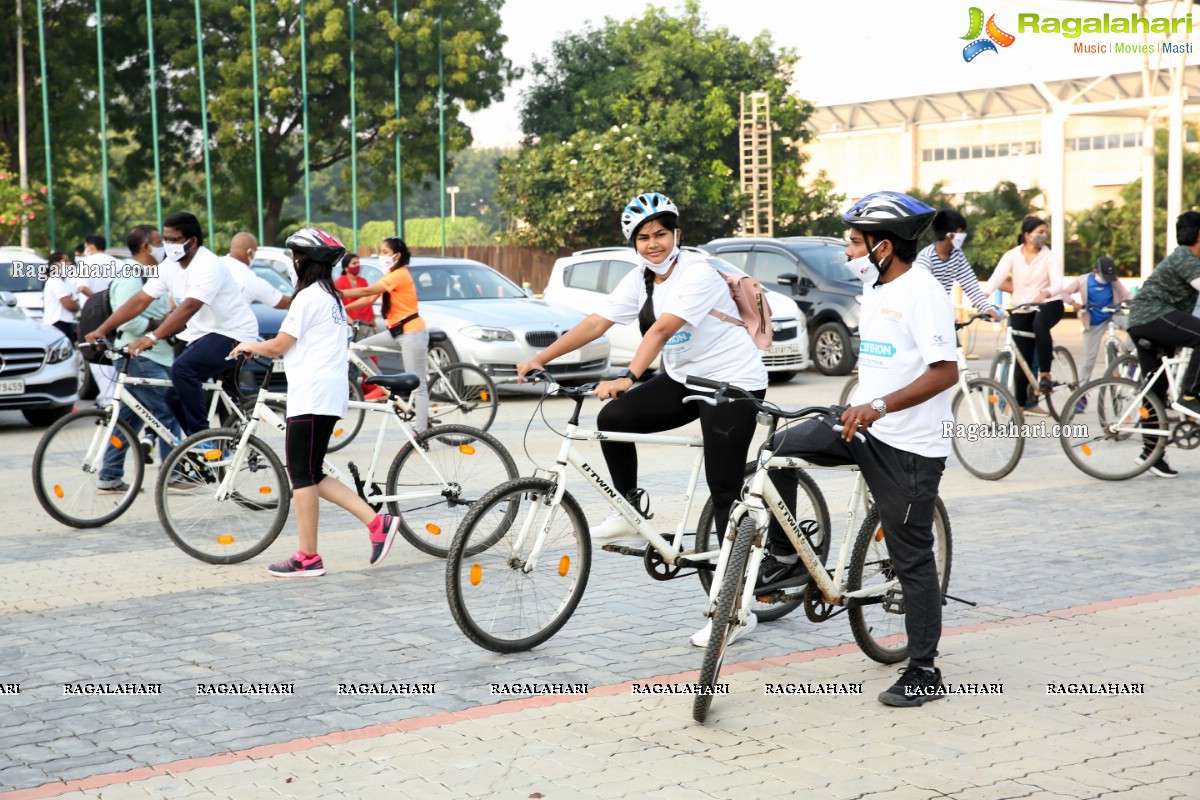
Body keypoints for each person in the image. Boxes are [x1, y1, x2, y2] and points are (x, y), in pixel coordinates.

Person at [514, 191, 768, 587]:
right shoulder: (640, 278)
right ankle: (631, 511)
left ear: (677, 234)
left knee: (723, 490)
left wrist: (629, 377)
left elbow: (664, 329)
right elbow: (596, 323)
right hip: (685, 380)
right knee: (613, 419)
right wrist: (540, 358)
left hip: (731, 383)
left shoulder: (697, 271)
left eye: (661, 234)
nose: (653, 243)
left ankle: (736, 598)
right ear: (634, 243)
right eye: (643, 237)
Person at [765, 191, 958, 707]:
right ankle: (787, 558)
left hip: (910, 446)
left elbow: (946, 372)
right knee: (776, 449)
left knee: (911, 556)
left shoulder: (924, 292)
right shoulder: (875, 290)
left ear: (884, 247)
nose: (847, 251)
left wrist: (878, 406)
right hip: (865, 427)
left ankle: (923, 671)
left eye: (855, 242)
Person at [230, 228, 401, 577]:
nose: (293, 262)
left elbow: (280, 345)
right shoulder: (331, 297)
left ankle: (308, 557)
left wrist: (248, 345)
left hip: (311, 395)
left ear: (302, 261)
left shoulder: (308, 297)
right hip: (327, 393)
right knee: (311, 472)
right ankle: (376, 522)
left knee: (301, 476)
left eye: (295, 256)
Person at [86, 211, 259, 438]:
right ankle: (196, 452)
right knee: (172, 396)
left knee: (183, 370)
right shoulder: (169, 266)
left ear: (192, 241)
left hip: (235, 333)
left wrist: (152, 337)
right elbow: (139, 301)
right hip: (202, 334)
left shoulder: (208, 265)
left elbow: (188, 308)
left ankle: (202, 439)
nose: (167, 244)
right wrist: (103, 329)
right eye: (165, 239)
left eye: (174, 239)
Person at [95, 225, 184, 494]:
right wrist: (160, 323)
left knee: (128, 421)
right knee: (168, 411)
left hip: (149, 355)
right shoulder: (132, 273)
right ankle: (175, 473)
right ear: (146, 246)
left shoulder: (150, 273)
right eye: (160, 241)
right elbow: (130, 319)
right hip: (140, 356)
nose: (163, 246)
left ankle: (109, 477)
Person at [1125, 211, 1200, 478]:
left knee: (1154, 391)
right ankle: (1190, 395)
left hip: (1148, 320)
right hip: (1151, 316)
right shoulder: (1185, 257)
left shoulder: (1190, 258)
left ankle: (1151, 454)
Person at [340, 238, 430, 427]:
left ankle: (422, 434)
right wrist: (342, 309)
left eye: (385, 252)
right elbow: (368, 300)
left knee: (418, 385)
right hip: (396, 332)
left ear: (397, 255)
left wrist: (338, 293)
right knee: (357, 350)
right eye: (380, 252)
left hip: (412, 333)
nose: (381, 256)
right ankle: (387, 388)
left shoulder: (399, 275)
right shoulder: (390, 274)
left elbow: (367, 290)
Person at [983, 216, 1065, 417]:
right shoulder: (1012, 256)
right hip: (1021, 308)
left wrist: (1045, 294)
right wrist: (982, 300)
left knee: (1040, 325)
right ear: (1027, 235)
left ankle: (1045, 375)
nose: (1043, 236)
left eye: (1045, 232)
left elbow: (1058, 284)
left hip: (1049, 304)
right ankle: (1018, 409)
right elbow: (996, 279)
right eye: (1040, 232)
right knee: (1022, 361)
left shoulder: (1050, 257)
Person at [913, 209, 1001, 322]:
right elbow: (921, 291)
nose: (963, 236)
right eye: (961, 232)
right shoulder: (926, 258)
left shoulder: (956, 254)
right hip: (925, 316)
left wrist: (985, 308)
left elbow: (969, 282)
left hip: (943, 315)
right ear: (949, 235)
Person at [1063, 256, 1133, 385]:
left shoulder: (1113, 280)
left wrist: (1136, 301)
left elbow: (1126, 294)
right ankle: (1081, 390)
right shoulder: (1083, 280)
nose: (1107, 280)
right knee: (1088, 359)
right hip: (1094, 320)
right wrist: (1073, 303)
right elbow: (1064, 293)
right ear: (1095, 271)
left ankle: (1130, 358)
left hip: (1113, 315)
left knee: (1135, 325)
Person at [76, 234, 120, 407]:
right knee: (113, 352)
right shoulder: (117, 263)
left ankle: (107, 398)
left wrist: (97, 301)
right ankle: (115, 395)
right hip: (115, 312)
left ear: (90, 247)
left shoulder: (85, 263)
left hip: (92, 315)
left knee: (94, 355)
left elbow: (82, 287)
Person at [335, 252, 386, 401]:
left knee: (370, 355)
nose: (357, 267)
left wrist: (373, 322)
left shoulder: (363, 281)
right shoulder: (340, 283)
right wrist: (350, 320)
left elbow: (368, 300)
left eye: (358, 263)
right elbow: (342, 305)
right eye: (354, 264)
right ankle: (351, 388)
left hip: (366, 323)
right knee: (352, 357)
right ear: (346, 267)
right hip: (353, 325)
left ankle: (372, 387)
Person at [222, 231, 291, 310]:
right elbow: (282, 302)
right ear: (250, 252)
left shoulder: (217, 264)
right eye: (255, 251)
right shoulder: (248, 277)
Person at [42, 252, 80, 341]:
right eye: (66, 261)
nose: (70, 264)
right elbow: (70, 305)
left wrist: (75, 305)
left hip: (68, 324)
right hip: (56, 325)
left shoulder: (67, 282)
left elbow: (75, 303)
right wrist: (75, 305)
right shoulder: (55, 280)